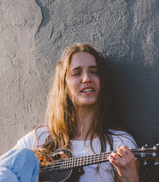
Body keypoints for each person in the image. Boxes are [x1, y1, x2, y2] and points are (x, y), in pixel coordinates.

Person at [0, 43, 139, 182]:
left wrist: (132, 179)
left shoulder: (120, 144)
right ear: (64, 84)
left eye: (94, 71)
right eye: (77, 73)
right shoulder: (40, 137)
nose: (86, 78)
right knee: (24, 156)